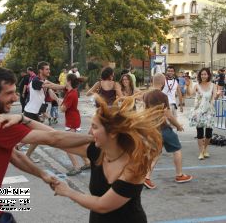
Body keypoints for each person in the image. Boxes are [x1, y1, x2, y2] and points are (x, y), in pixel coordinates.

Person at [0, 66, 93, 222]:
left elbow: (14, 155)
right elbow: (53, 138)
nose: (15, 98)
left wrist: (42, 174)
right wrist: (93, 137)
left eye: (15, 92)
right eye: (9, 93)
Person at [53, 94, 164, 223]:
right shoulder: (99, 151)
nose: (89, 132)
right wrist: (26, 122)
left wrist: (67, 191)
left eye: (94, 127)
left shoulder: (133, 166)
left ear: (112, 133)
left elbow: (102, 205)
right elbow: (54, 138)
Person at [142, 73, 193, 190]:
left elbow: (144, 113)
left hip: (151, 128)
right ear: (163, 82)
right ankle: (179, 175)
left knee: (156, 152)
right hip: (163, 127)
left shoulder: (146, 95)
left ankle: (146, 177)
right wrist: (178, 125)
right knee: (177, 148)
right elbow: (168, 115)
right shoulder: (162, 96)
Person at [23, 61, 62, 162]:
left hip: (34, 112)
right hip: (30, 112)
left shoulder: (44, 81)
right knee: (36, 136)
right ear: (41, 70)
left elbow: (51, 91)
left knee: (35, 136)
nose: (49, 71)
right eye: (47, 69)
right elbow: (52, 86)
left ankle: (23, 152)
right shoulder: (36, 81)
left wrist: (58, 100)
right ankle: (20, 151)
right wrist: (66, 87)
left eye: (49, 69)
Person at [61, 73, 90, 176]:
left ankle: (76, 166)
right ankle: (87, 162)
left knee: (67, 145)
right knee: (77, 143)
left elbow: (62, 109)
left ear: (69, 81)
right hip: (73, 120)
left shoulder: (71, 94)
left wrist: (56, 99)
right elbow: (60, 87)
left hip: (72, 121)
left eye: (65, 80)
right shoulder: (71, 91)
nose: (64, 81)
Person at [189, 68, 219, 160]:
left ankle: (205, 149)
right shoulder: (197, 85)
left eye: (205, 74)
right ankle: (201, 152)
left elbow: (214, 98)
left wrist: (217, 95)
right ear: (199, 75)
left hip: (209, 111)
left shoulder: (213, 85)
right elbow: (190, 94)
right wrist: (188, 85)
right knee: (200, 133)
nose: (203, 76)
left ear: (208, 75)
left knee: (209, 133)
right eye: (202, 74)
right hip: (198, 111)